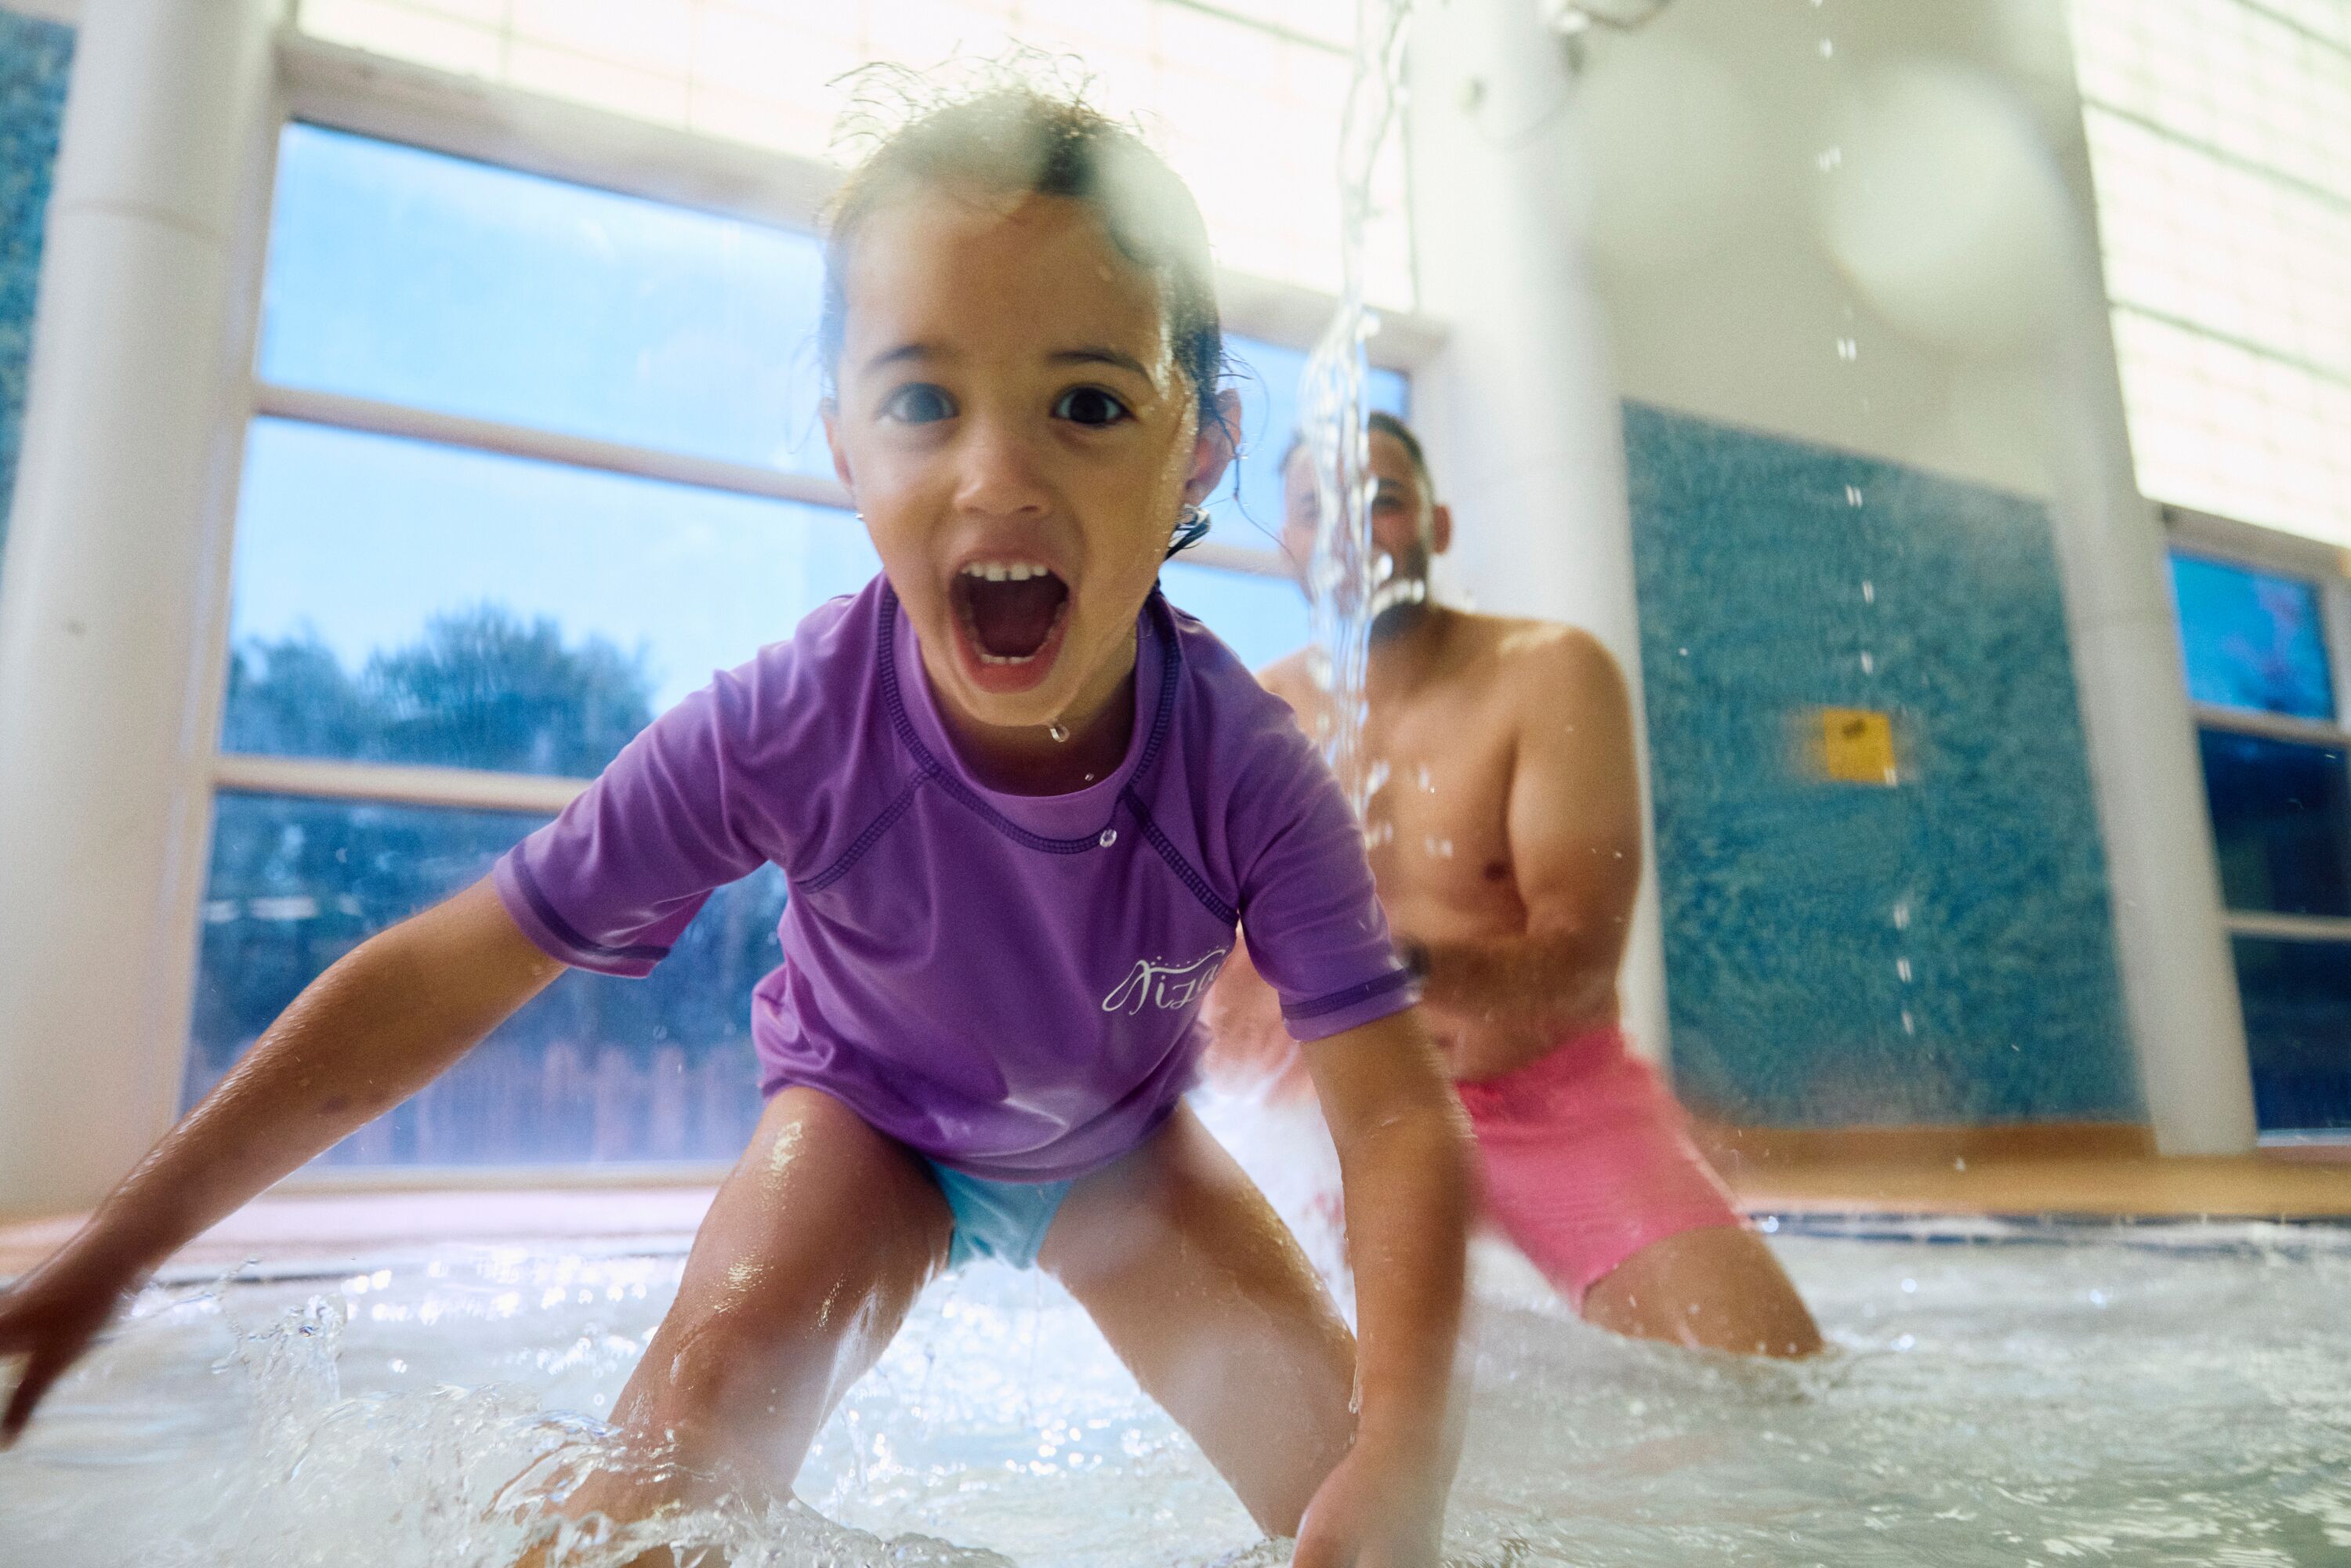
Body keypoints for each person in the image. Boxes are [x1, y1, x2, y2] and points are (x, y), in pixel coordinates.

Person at [0, 91, 1476, 1566]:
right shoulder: (795, 723)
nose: (996, 475)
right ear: (843, 440)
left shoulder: (1248, 770)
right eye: (921, 403)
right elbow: (449, 972)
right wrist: (111, 1259)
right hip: (868, 1127)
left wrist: (1406, 1449)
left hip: (1125, 1155)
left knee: (1376, 1503)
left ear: (1199, 455)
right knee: (675, 1454)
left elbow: (1397, 1117)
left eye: (1088, 404)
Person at [1203, 411, 1820, 1359]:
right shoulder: (1255, 716)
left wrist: (1375, 966)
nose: (1350, 531)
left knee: (1772, 1381)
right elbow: (1226, 991)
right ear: (1288, 539)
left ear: (1439, 527)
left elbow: (1575, 962)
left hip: (1548, 1101)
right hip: (1341, 1119)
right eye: (1317, 509)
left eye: (1383, 502)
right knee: (1288, 1399)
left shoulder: (1547, 676)